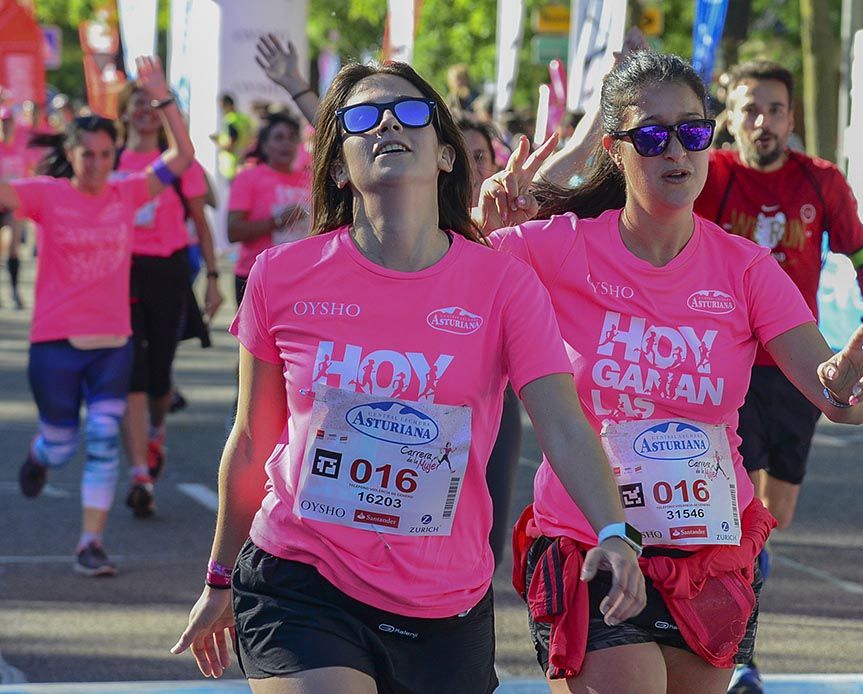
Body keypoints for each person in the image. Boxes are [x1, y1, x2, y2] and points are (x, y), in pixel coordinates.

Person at [170, 59, 645, 692]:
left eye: (410, 111)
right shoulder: (281, 276)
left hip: (444, 600)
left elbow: (562, 422)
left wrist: (614, 532)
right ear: (340, 165)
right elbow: (254, 441)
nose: (389, 122)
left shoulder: (502, 283)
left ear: (446, 154)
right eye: (363, 117)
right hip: (302, 576)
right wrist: (220, 578)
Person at [478, 50, 863, 693]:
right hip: (588, 541)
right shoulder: (554, 245)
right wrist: (482, 227)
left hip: (708, 554)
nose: (676, 150)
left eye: (693, 132)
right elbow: (430, 273)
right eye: (652, 135)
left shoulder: (747, 268)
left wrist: (847, 385)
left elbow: (837, 396)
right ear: (617, 151)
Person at [692, 58, 863, 693]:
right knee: (734, 512)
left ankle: (742, 589)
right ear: (731, 117)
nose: (762, 122)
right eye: (750, 109)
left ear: (791, 118)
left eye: (774, 109)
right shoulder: (711, 174)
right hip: (725, 368)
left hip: (798, 368)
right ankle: (737, 653)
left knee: (772, 517)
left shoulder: (820, 181)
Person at [0, 57, 194, 576]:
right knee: (63, 444)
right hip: (56, 344)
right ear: (70, 153)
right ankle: (42, 455)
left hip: (113, 343)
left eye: (106, 155)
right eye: (86, 154)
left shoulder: (127, 192)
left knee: (106, 437)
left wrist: (162, 97)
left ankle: (90, 543)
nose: (96, 164)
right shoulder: (47, 196)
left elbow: (183, 157)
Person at [114, 80, 225, 517]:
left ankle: (156, 429)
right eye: (136, 104)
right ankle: (140, 472)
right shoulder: (110, 159)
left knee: (159, 372)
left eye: (151, 104)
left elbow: (200, 221)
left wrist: (213, 279)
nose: (144, 111)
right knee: (133, 372)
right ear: (123, 112)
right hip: (120, 277)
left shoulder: (179, 163)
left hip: (168, 271)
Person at [226, 111, 310, 306]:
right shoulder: (248, 178)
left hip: (299, 278)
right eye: (279, 138)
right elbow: (233, 231)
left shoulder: (310, 180)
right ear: (264, 146)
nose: (286, 144)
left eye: (291, 138)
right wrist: (278, 221)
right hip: (255, 277)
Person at [0, 105, 29, 309]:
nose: (5, 125)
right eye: (2, 121)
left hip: (12, 205)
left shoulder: (20, 147)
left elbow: (29, 173)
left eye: (8, 121)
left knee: (13, 247)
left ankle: (15, 291)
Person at [213, 93, 254, 181]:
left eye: (222, 106)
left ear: (227, 105)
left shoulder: (230, 120)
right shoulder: (244, 118)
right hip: (245, 161)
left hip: (232, 165)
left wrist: (219, 143)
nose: (221, 109)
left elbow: (230, 145)